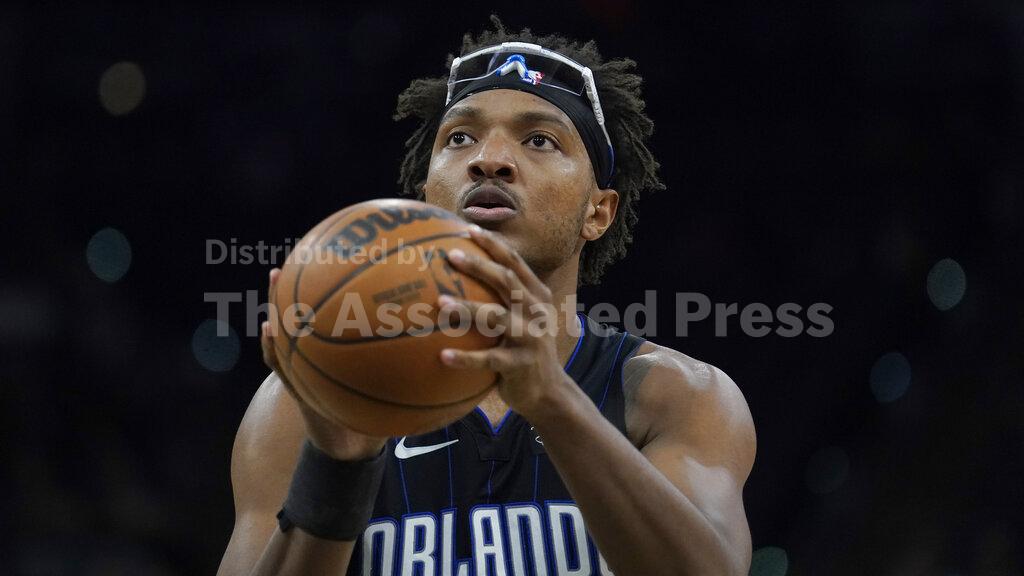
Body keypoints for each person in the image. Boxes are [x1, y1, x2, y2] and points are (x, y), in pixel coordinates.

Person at [218, 18, 756, 576]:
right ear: (425, 194)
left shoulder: (677, 396)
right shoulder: (304, 401)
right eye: (459, 138)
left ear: (598, 212)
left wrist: (553, 401)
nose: (489, 158)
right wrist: (338, 469)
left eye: (539, 140)